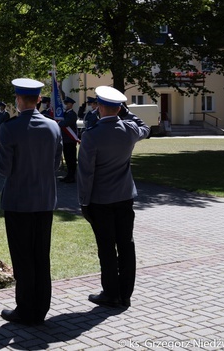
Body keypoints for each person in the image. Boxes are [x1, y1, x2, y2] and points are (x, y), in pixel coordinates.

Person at [0, 78, 62, 325]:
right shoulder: (53, 126)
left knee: (22, 257)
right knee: (41, 256)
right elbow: (56, 165)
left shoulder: (10, 128)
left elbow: (4, 168)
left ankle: (25, 309)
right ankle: (41, 308)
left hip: (18, 201)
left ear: (19, 99)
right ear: (38, 100)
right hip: (44, 200)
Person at [77, 86, 150, 309]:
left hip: (100, 200)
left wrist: (84, 201)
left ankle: (111, 293)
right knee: (126, 245)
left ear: (99, 107)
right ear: (119, 108)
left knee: (106, 247)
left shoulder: (92, 135)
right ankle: (125, 293)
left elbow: (86, 173)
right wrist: (126, 113)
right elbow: (145, 128)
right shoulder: (129, 129)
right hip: (125, 196)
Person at [59, 96, 79, 182]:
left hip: (70, 140)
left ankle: (72, 176)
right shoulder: (65, 113)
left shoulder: (72, 114)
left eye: (66, 103)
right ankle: (68, 175)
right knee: (67, 158)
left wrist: (58, 122)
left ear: (71, 105)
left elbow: (64, 123)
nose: (65, 105)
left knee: (71, 158)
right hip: (65, 140)